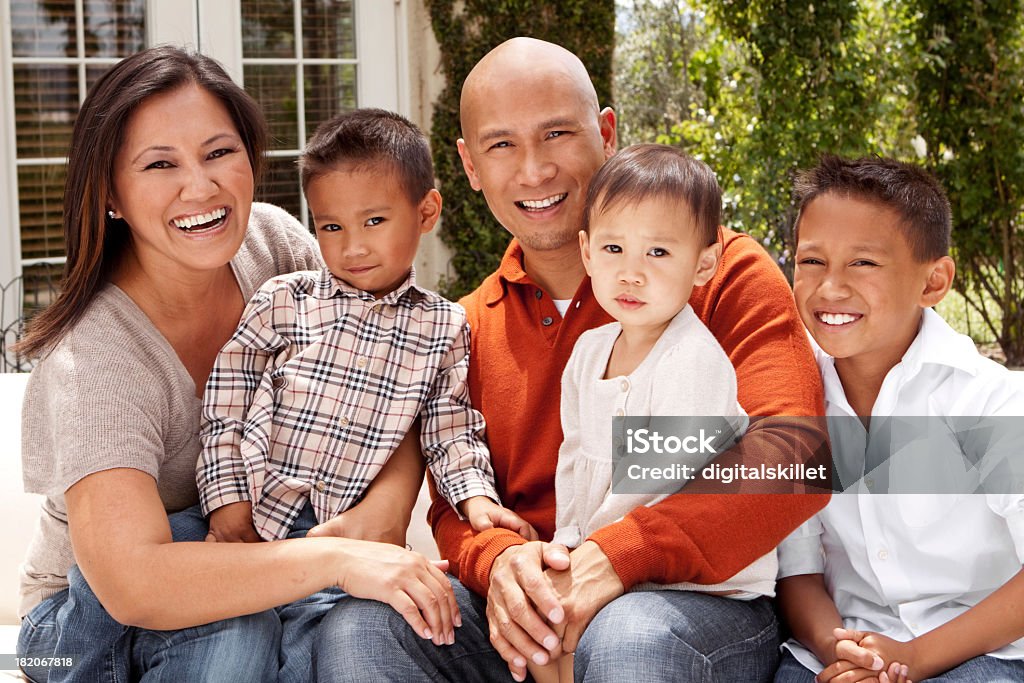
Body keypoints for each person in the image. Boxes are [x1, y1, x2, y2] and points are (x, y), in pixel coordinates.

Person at [316, 37, 829, 683]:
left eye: (557, 132)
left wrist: (613, 559)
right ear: (470, 165)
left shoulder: (720, 272)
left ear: (607, 132)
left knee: (627, 634)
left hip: (691, 603)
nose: (533, 171)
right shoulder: (465, 326)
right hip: (535, 598)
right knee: (365, 629)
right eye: (502, 144)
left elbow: (794, 455)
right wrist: (502, 564)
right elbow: (456, 496)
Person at [15, 46, 458, 683]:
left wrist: (384, 510)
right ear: (110, 194)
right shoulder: (94, 359)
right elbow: (134, 582)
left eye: (219, 152)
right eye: (160, 164)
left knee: (347, 637)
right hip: (75, 627)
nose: (201, 187)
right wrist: (337, 560)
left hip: (260, 553)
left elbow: (398, 368)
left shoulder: (277, 247)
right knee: (236, 636)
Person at [197, 108, 534, 681]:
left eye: (374, 221)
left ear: (426, 211)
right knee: (210, 627)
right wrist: (226, 500)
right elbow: (225, 398)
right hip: (251, 514)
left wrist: (476, 501)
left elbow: (449, 431)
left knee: (312, 656)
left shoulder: (444, 327)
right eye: (331, 227)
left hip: (342, 539)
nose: (352, 246)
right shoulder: (286, 299)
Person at [532, 144, 778, 683]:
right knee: (542, 641)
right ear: (587, 252)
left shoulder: (693, 360)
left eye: (659, 254)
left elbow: (662, 493)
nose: (631, 274)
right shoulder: (589, 351)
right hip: (606, 563)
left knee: (587, 637)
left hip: (701, 585)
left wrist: (589, 574)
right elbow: (572, 461)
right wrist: (566, 548)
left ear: (705, 263)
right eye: (614, 248)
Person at [774, 155, 1024, 683]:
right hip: (836, 645)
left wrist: (911, 659)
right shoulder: (792, 402)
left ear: (934, 282)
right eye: (811, 261)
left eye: (863, 263)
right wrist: (840, 651)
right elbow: (798, 570)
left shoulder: (989, 403)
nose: (830, 287)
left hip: (982, 650)